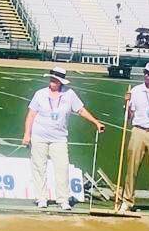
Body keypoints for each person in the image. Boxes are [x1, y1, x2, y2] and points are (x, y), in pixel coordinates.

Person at [23, 66, 105, 211]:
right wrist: (27, 134)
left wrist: (96, 122)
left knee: (62, 168)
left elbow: (80, 110)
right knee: (39, 167)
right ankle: (41, 198)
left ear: (61, 82)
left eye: (55, 80)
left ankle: (63, 199)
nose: (52, 82)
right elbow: (31, 115)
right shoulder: (40, 94)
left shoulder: (69, 94)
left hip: (59, 138)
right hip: (39, 136)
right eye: (51, 79)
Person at [119, 60, 149, 214]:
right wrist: (126, 104)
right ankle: (127, 200)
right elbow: (129, 116)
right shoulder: (136, 91)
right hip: (138, 130)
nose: (147, 76)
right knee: (132, 167)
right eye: (146, 73)